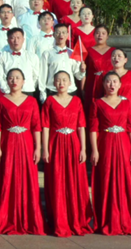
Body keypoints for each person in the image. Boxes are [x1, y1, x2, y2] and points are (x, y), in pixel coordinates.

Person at [0, 68, 45, 235]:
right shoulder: (1, 101)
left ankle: (29, 218)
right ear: (7, 81)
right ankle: (6, 217)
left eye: (17, 78)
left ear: (24, 81)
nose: (14, 80)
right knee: (7, 177)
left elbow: (36, 126)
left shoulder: (31, 101)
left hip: (26, 143)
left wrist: (38, 147)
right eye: (11, 78)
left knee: (27, 178)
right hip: (7, 143)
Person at [41, 71, 93, 237]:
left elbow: (81, 127)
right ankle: (59, 219)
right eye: (58, 80)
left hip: (73, 144)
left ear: (70, 83)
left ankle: (75, 218)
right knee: (57, 180)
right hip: (55, 143)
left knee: (74, 180)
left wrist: (83, 149)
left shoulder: (77, 101)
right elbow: (45, 127)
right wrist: (45, 148)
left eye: (64, 80)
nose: (61, 83)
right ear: (53, 83)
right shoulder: (49, 101)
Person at [90, 72, 131, 235]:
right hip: (105, 144)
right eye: (108, 82)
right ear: (103, 84)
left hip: (124, 144)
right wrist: (94, 150)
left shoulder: (127, 104)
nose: (111, 85)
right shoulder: (97, 103)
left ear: (120, 85)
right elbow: (93, 129)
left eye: (115, 82)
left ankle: (125, 219)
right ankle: (107, 219)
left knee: (124, 180)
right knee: (106, 178)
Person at [38, 25, 86, 103]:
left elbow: (78, 76)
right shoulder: (47, 53)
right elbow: (42, 75)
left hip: (70, 91)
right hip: (53, 90)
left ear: (67, 35)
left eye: (63, 32)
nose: (61, 35)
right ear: (53, 35)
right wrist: (42, 93)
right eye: (58, 32)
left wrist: (82, 71)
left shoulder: (72, 53)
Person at [0, 28, 39, 96]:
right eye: (12, 38)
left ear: (23, 39)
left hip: (27, 91)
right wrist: (7, 90)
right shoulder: (2, 56)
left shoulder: (32, 56)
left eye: (18, 38)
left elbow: (36, 75)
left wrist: (29, 86)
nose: (16, 41)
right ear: (8, 40)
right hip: (9, 92)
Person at [83, 25, 115, 114]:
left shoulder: (113, 51)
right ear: (93, 35)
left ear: (107, 36)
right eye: (97, 33)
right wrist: (82, 88)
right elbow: (84, 71)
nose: (100, 35)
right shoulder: (88, 51)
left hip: (109, 83)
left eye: (103, 33)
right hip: (92, 83)